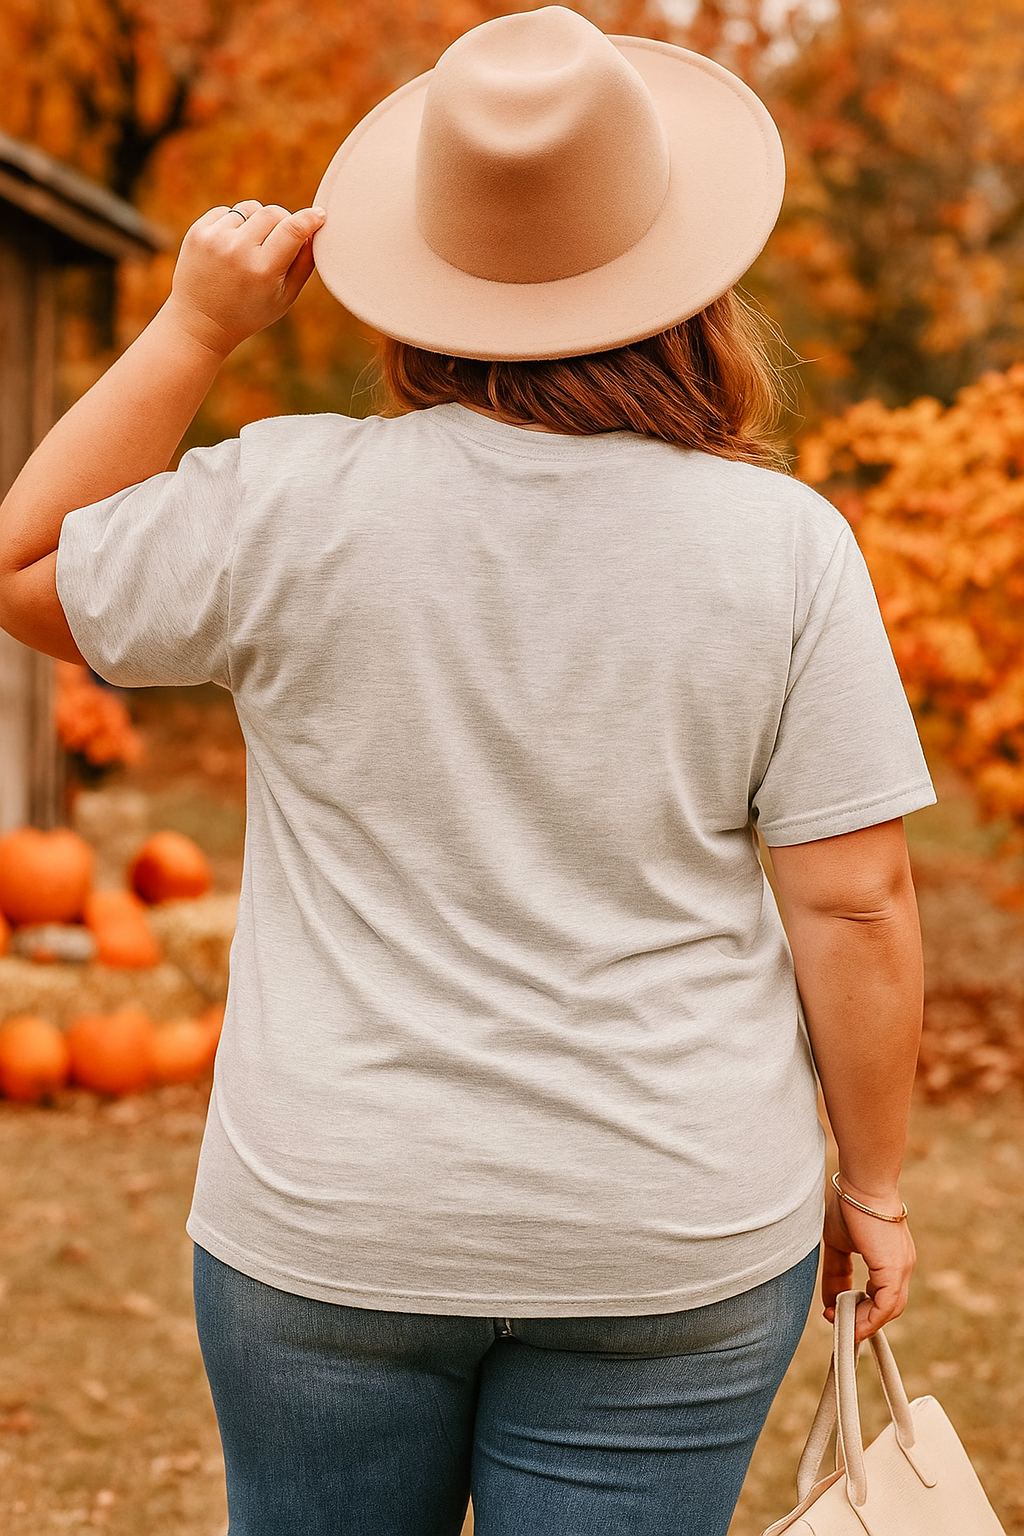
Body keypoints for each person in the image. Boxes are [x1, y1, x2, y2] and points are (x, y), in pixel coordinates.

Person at [0, 9, 934, 1535]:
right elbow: (855, 905)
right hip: (666, 1226)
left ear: (419, 277)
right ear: (689, 278)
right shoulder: (781, 548)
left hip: (330, 1221)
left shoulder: (287, 503)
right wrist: (875, 1187)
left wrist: (194, 326)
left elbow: (27, 564)